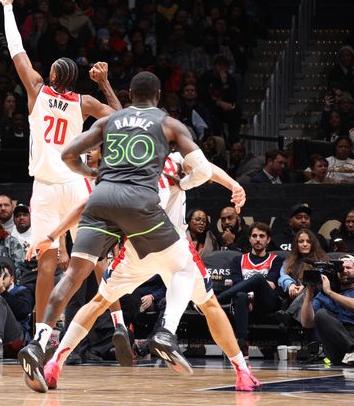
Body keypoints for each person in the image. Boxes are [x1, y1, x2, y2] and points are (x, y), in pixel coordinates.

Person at [21, 71, 259, 392]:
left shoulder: (119, 150)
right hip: (162, 235)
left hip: (129, 243)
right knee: (203, 295)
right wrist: (231, 184)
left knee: (97, 299)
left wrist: (52, 234)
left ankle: (52, 362)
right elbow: (203, 167)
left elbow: (83, 180)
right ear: (159, 96)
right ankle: (227, 364)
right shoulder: (171, 151)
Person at [0, 0, 121, 325]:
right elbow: (123, 116)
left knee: (46, 263)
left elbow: (16, 51)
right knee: (96, 257)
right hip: (76, 183)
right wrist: (105, 83)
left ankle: (42, 331)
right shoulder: (83, 103)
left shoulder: (36, 91)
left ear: (52, 74)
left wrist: (8, 9)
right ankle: (118, 322)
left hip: (46, 188)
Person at [215, 223, 283, 356]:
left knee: (258, 279)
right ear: (249, 239)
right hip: (245, 302)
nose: (258, 239)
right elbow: (237, 283)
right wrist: (248, 296)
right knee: (240, 295)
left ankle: (217, 300)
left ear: (268, 240)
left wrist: (253, 290)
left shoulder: (276, 260)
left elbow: (270, 284)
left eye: (262, 236)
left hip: (267, 302)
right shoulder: (238, 260)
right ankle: (242, 343)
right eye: (254, 236)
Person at [278, 228, 330, 324]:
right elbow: (283, 275)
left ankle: (289, 314)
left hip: (315, 295)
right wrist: (291, 285)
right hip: (293, 294)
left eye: (308, 241)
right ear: (296, 244)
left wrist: (305, 286)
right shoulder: (289, 260)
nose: (305, 244)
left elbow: (319, 278)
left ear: (313, 244)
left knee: (309, 287)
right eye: (301, 241)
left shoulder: (321, 261)